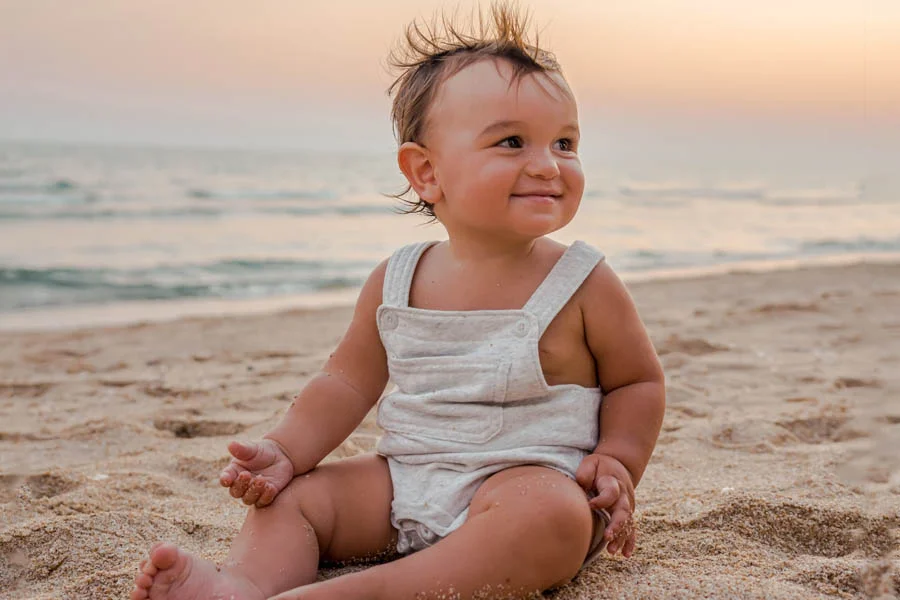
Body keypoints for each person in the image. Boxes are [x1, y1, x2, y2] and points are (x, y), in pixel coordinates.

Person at [131, 3, 665, 599]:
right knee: (299, 500)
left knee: (551, 520)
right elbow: (345, 384)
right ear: (427, 172)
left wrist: (619, 458)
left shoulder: (582, 280)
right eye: (512, 142)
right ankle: (244, 586)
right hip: (407, 479)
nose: (547, 164)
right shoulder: (398, 278)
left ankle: (363, 591)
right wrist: (286, 449)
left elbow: (637, 383)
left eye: (565, 143)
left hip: (533, 480)